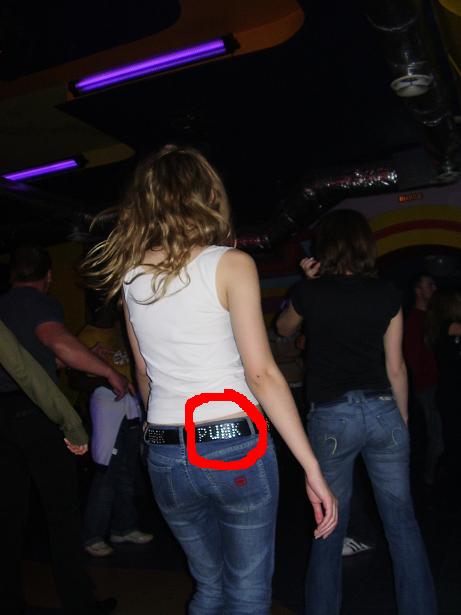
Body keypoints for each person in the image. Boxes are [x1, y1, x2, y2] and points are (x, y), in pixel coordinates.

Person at [81, 144, 338, 614]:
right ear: (207, 197)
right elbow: (262, 373)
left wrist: (161, 440)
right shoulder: (229, 263)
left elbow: (144, 374)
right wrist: (312, 468)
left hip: (164, 448)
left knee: (209, 588)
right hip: (233, 445)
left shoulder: (131, 277)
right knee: (247, 592)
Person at [277, 210, 436, 615]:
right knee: (402, 522)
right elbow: (396, 367)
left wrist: (306, 282)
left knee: (330, 523)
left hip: (333, 416)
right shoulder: (387, 294)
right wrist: (401, 421)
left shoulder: (310, 292)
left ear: (326, 247)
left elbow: (282, 328)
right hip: (383, 410)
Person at [0, 245, 130, 615]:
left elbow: (39, 356)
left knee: (9, 513)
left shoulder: (3, 304)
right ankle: (79, 601)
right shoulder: (39, 302)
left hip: (2, 415)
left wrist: (78, 359)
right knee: (61, 511)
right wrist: (108, 372)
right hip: (35, 411)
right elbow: (55, 340)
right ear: (49, 276)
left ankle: (8, 599)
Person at [70, 297, 153, 557]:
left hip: (131, 407)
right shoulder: (86, 336)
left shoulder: (121, 331)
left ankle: (124, 528)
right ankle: (92, 535)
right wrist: (107, 382)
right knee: (106, 472)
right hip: (107, 407)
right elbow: (74, 380)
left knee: (127, 470)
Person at [403, 274, 443, 486]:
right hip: (426, 388)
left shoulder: (432, 318)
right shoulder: (414, 321)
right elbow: (413, 361)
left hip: (437, 387)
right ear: (418, 290)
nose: (434, 288)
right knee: (435, 436)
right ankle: (429, 481)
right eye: (430, 285)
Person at [425, 288, 461, 485]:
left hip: (450, 390)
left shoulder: (444, 327)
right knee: (451, 438)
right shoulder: (447, 326)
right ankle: (441, 481)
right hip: (451, 391)